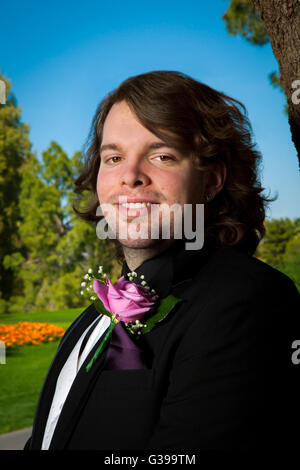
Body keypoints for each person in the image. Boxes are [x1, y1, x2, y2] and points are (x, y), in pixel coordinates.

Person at [25, 71, 300, 450]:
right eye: (114, 157)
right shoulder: (95, 316)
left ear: (212, 179)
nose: (131, 176)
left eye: (162, 155)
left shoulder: (248, 300)